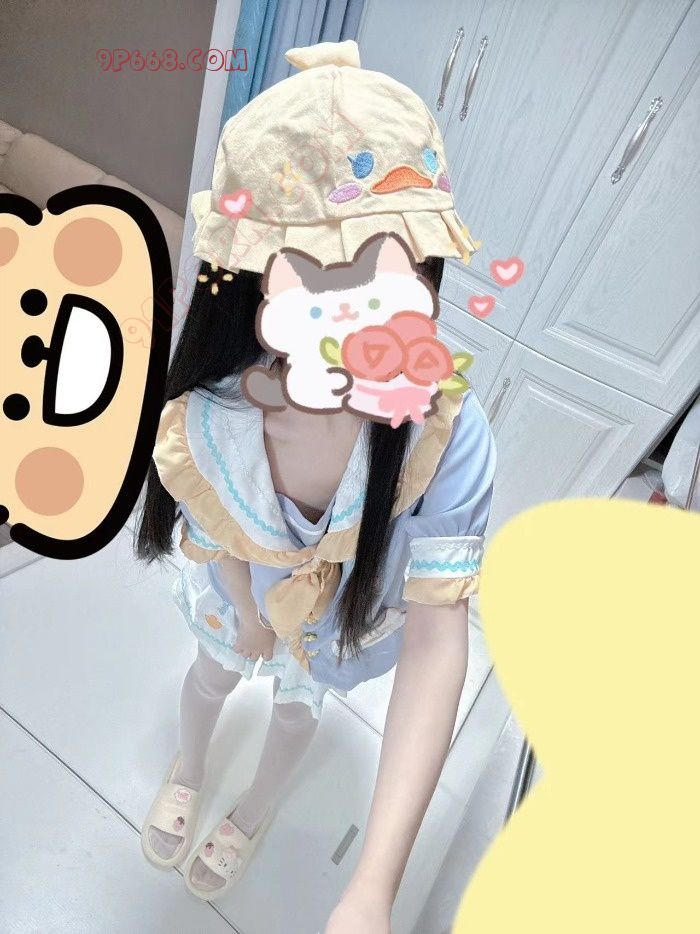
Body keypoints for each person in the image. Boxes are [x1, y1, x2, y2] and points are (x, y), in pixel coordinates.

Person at [136, 39, 496, 933]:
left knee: (296, 716)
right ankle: (188, 770)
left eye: (384, 272)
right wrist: (247, 611)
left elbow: (439, 636)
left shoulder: (446, 434)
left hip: (334, 631)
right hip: (236, 599)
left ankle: (251, 811)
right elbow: (213, 526)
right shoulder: (217, 414)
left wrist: (372, 889)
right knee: (211, 676)